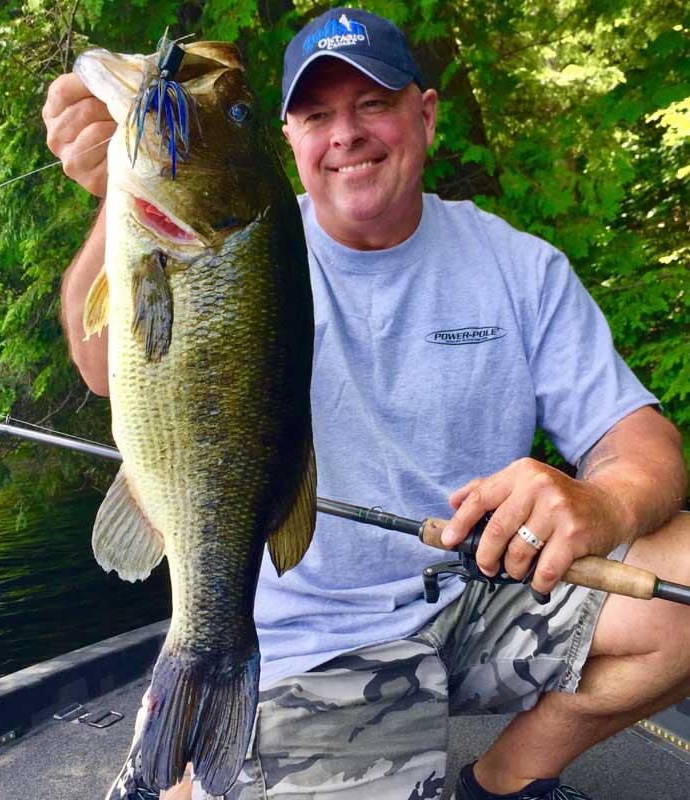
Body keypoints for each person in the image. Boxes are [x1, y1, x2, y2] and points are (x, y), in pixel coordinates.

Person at [42, 8, 689, 800]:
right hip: (307, 637)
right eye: (317, 114)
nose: (345, 133)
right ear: (288, 141)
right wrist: (114, 194)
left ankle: (509, 779)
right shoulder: (248, 239)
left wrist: (604, 502)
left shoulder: (519, 267)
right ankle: (193, 729)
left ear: (425, 114)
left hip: (478, 595)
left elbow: (644, 442)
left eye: (373, 102)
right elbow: (105, 369)